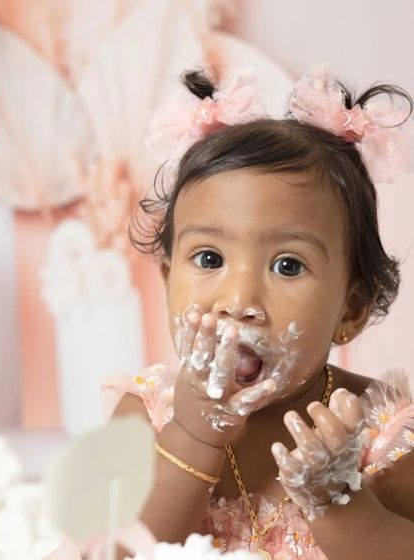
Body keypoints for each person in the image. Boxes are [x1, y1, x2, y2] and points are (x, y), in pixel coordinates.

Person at [104, 64, 414, 559]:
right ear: (166, 282)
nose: (239, 301)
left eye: (287, 265)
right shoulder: (145, 416)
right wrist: (191, 437)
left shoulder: (380, 433)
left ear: (351, 307)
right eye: (210, 259)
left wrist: (336, 500)